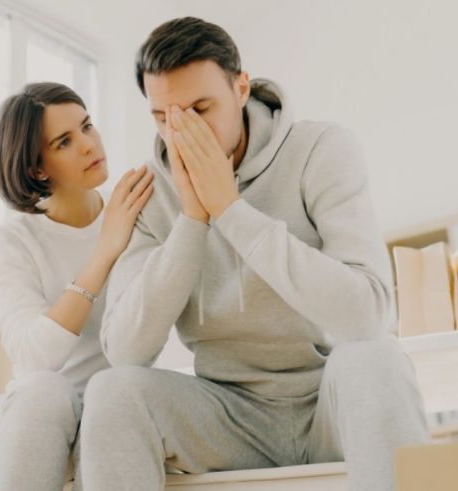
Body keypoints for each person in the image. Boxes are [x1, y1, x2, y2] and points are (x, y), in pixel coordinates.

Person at [79, 17, 429, 491]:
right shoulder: (148, 191)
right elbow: (125, 351)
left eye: (201, 108)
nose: (181, 133)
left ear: (241, 88)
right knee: (112, 392)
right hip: (225, 416)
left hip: (328, 399)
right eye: (164, 117)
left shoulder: (321, 148)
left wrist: (231, 210)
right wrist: (193, 220)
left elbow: (367, 315)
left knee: (377, 361)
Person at [0, 81, 153, 490]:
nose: (89, 145)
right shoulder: (13, 241)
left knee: (114, 397)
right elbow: (33, 357)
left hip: (115, 410)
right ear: (36, 168)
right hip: (40, 421)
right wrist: (103, 253)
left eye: (87, 126)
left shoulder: (135, 207)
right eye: (64, 141)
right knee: (44, 390)